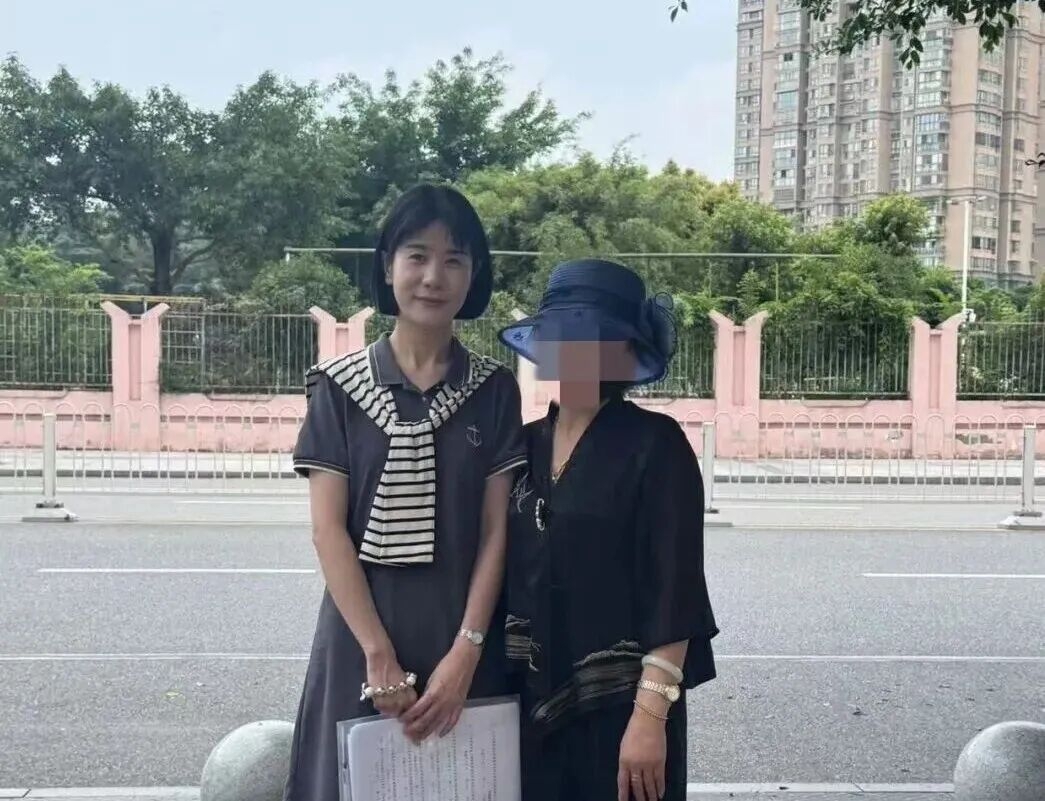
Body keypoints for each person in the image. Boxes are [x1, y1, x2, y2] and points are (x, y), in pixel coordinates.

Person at [283, 184, 526, 801]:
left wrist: (467, 653)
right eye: (417, 255)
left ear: (474, 274)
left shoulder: (493, 390)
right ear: (388, 265)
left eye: (454, 259)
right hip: (361, 645)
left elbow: (496, 532)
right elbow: (328, 531)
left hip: (462, 643)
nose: (433, 277)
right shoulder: (338, 389)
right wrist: (377, 655)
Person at [498, 258, 719, 801]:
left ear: (623, 348)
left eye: (592, 334)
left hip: (622, 713)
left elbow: (675, 588)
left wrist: (650, 718)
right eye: (563, 331)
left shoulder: (655, 445)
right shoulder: (523, 445)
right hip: (529, 707)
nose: (574, 348)